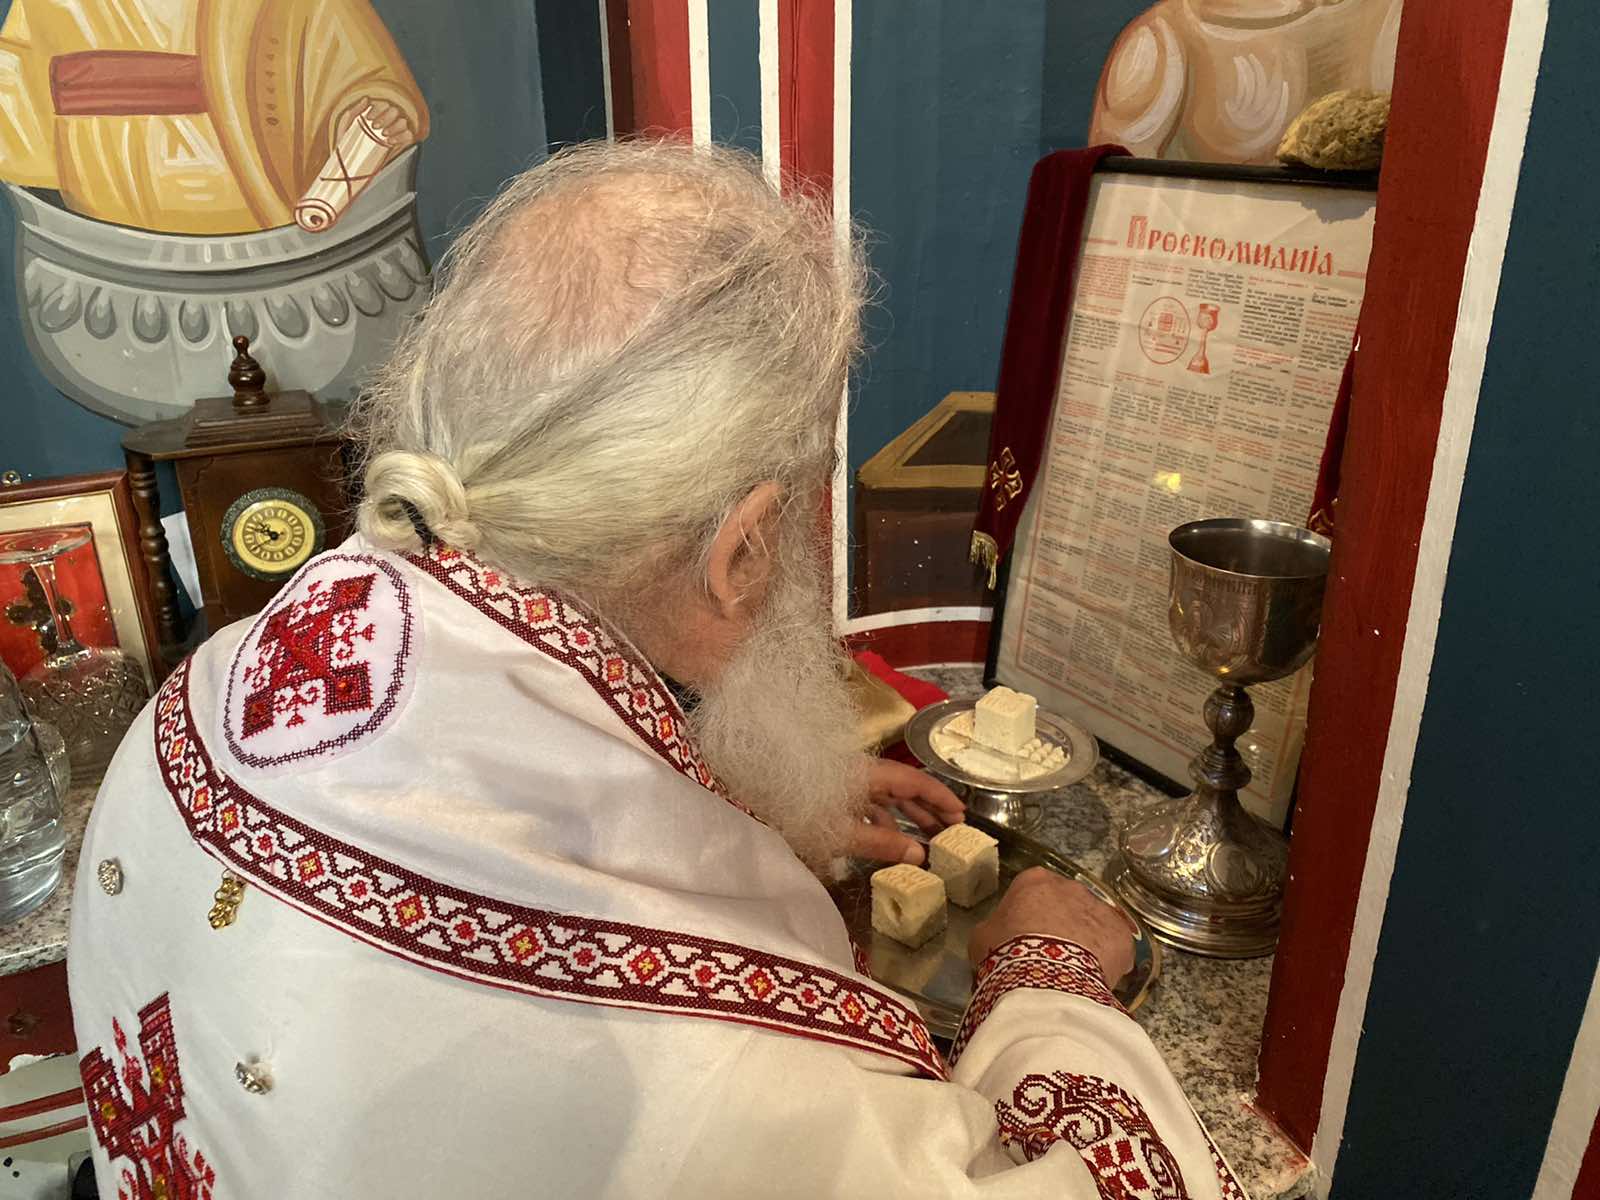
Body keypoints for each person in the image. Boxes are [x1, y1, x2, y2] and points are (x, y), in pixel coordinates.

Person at [67, 140, 1244, 1198]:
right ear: (745, 551)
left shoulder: (212, 687)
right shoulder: (713, 1084)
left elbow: (462, 806)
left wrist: (730, 809)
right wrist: (1044, 975)